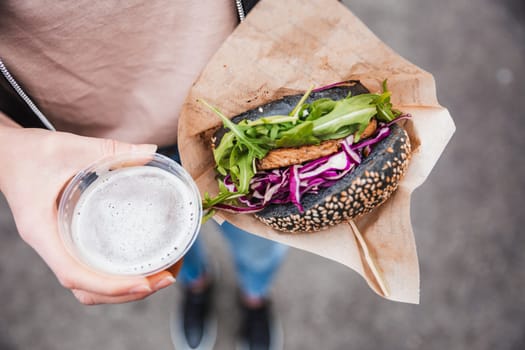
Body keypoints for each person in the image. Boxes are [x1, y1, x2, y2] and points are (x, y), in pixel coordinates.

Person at [0, 1, 287, 349]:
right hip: (97, 152)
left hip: (240, 116)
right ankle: (197, 286)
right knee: (168, 253)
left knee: (262, 242)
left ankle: (255, 297)